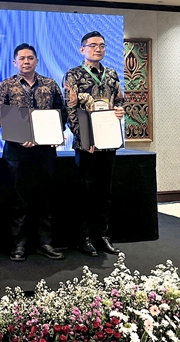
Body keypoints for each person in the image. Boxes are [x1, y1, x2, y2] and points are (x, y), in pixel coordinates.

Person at [0, 43, 66, 262]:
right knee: (19, 200)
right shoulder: (6, 85)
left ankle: (45, 243)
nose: (26, 62)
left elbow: (61, 113)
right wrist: (18, 137)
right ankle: (19, 245)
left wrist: (54, 133)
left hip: (45, 151)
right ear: (15, 62)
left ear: (36, 61)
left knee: (45, 198)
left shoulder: (50, 84)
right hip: (17, 152)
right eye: (22, 58)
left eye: (30, 58)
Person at [64, 30, 125, 256]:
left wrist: (120, 111)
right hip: (86, 145)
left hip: (108, 142)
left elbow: (120, 102)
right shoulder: (73, 75)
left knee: (104, 192)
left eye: (102, 45)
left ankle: (103, 235)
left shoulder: (112, 74)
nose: (98, 49)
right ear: (82, 49)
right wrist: (84, 138)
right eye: (93, 45)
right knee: (85, 193)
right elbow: (70, 110)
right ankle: (85, 237)